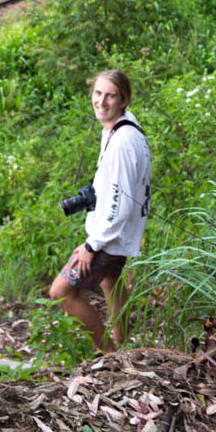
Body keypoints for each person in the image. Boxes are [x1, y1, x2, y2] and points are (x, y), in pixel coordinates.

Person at [49, 69, 151, 352]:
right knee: (111, 280)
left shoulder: (120, 143)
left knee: (61, 293)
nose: (101, 101)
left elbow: (121, 203)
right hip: (121, 232)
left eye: (110, 96)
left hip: (109, 235)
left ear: (124, 100)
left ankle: (109, 354)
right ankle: (123, 346)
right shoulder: (124, 126)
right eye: (97, 93)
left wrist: (92, 245)